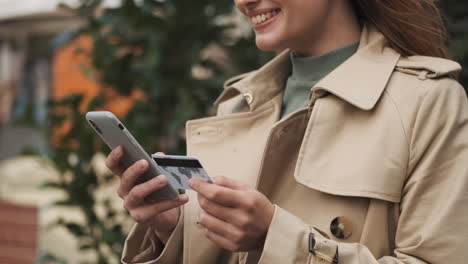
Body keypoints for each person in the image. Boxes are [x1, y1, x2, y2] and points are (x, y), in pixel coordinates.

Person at [106, 0, 468, 263]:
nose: (243, 2)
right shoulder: (237, 104)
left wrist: (273, 238)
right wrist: (174, 230)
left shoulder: (427, 100)